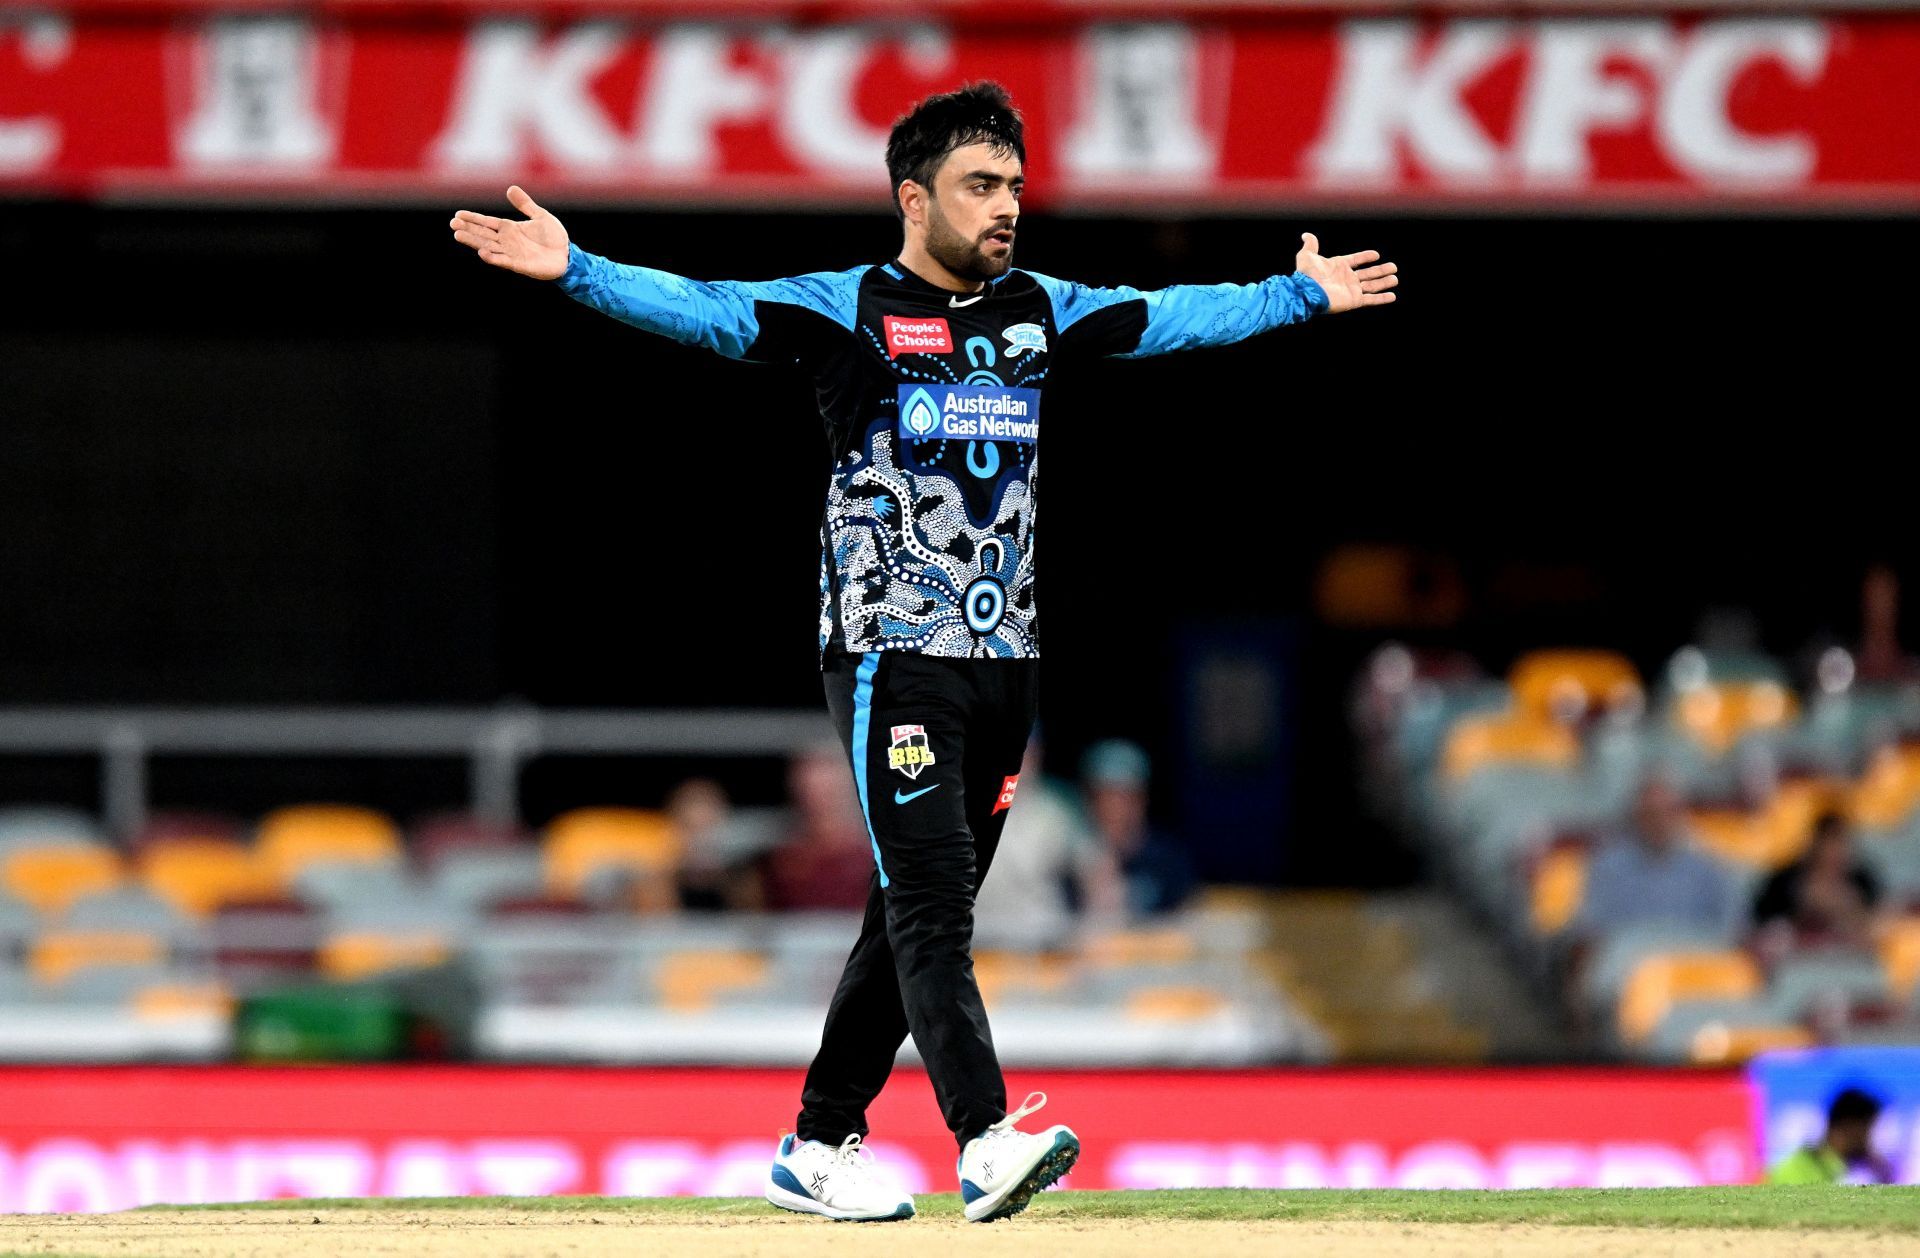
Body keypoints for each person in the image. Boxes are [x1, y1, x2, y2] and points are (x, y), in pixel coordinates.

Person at [449, 80, 1396, 1224]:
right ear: (914, 198)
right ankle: (985, 1137)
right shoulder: (846, 307)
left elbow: (1168, 315)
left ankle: (818, 1141)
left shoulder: (1041, 306)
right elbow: (706, 308)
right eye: (980, 186)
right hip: (891, 655)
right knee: (935, 902)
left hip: (1008, 666)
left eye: (1013, 186)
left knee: (907, 911)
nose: (1006, 207)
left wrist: (1295, 296)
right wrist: (581, 271)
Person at [1574, 778, 1741, 943]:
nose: (1660, 823)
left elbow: (1730, 935)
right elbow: (1590, 935)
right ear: (1637, 817)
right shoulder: (1607, 868)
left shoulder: (1710, 870)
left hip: (1693, 964)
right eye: (1651, 814)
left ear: (1681, 814)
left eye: (1668, 812)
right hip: (1631, 965)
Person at [1080, 739, 1196, 917]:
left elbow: (1189, 917)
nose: (1114, 809)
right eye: (1104, 797)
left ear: (1141, 801)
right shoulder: (1072, 859)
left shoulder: (1166, 859)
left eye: (1124, 798)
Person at [758, 741, 875, 912]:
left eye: (828, 790)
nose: (818, 799)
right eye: (809, 789)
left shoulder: (871, 858)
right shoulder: (779, 860)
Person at [1753, 812, 1882, 950]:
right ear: (1813, 848)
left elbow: (1876, 929)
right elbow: (1765, 928)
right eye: (1828, 846)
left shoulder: (1864, 884)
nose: (1835, 855)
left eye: (1841, 845)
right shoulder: (1782, 885)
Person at [1766, 1088, 1895, 1184]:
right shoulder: (1795, 1171)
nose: (1870, 1139)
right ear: (1851, 1126)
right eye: (1869, 1128)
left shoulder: (1857, 1171)